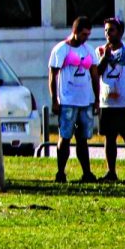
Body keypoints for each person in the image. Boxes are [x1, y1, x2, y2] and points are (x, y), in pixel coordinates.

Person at [48, 15, 100, 183]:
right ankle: (60, 172)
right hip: (67, 100)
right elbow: (52, 76)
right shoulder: (61, 49)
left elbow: (94, 75)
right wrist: (55, 100)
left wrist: (97, 99)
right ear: (75, 32)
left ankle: (87, 173)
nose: (86, 37)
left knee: (82, 139)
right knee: (65, 137)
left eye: (88, 34)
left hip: (85, 101)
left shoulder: (88, 50)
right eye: (84, 34)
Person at [96, 17, 125, 183]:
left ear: (120, 32)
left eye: (112, 30)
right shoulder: (100, 51)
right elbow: (97, 73)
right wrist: (105, 57)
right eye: (106, 31)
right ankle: (111, 172)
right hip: (107, 103)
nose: (108, 34)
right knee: (109, 138)